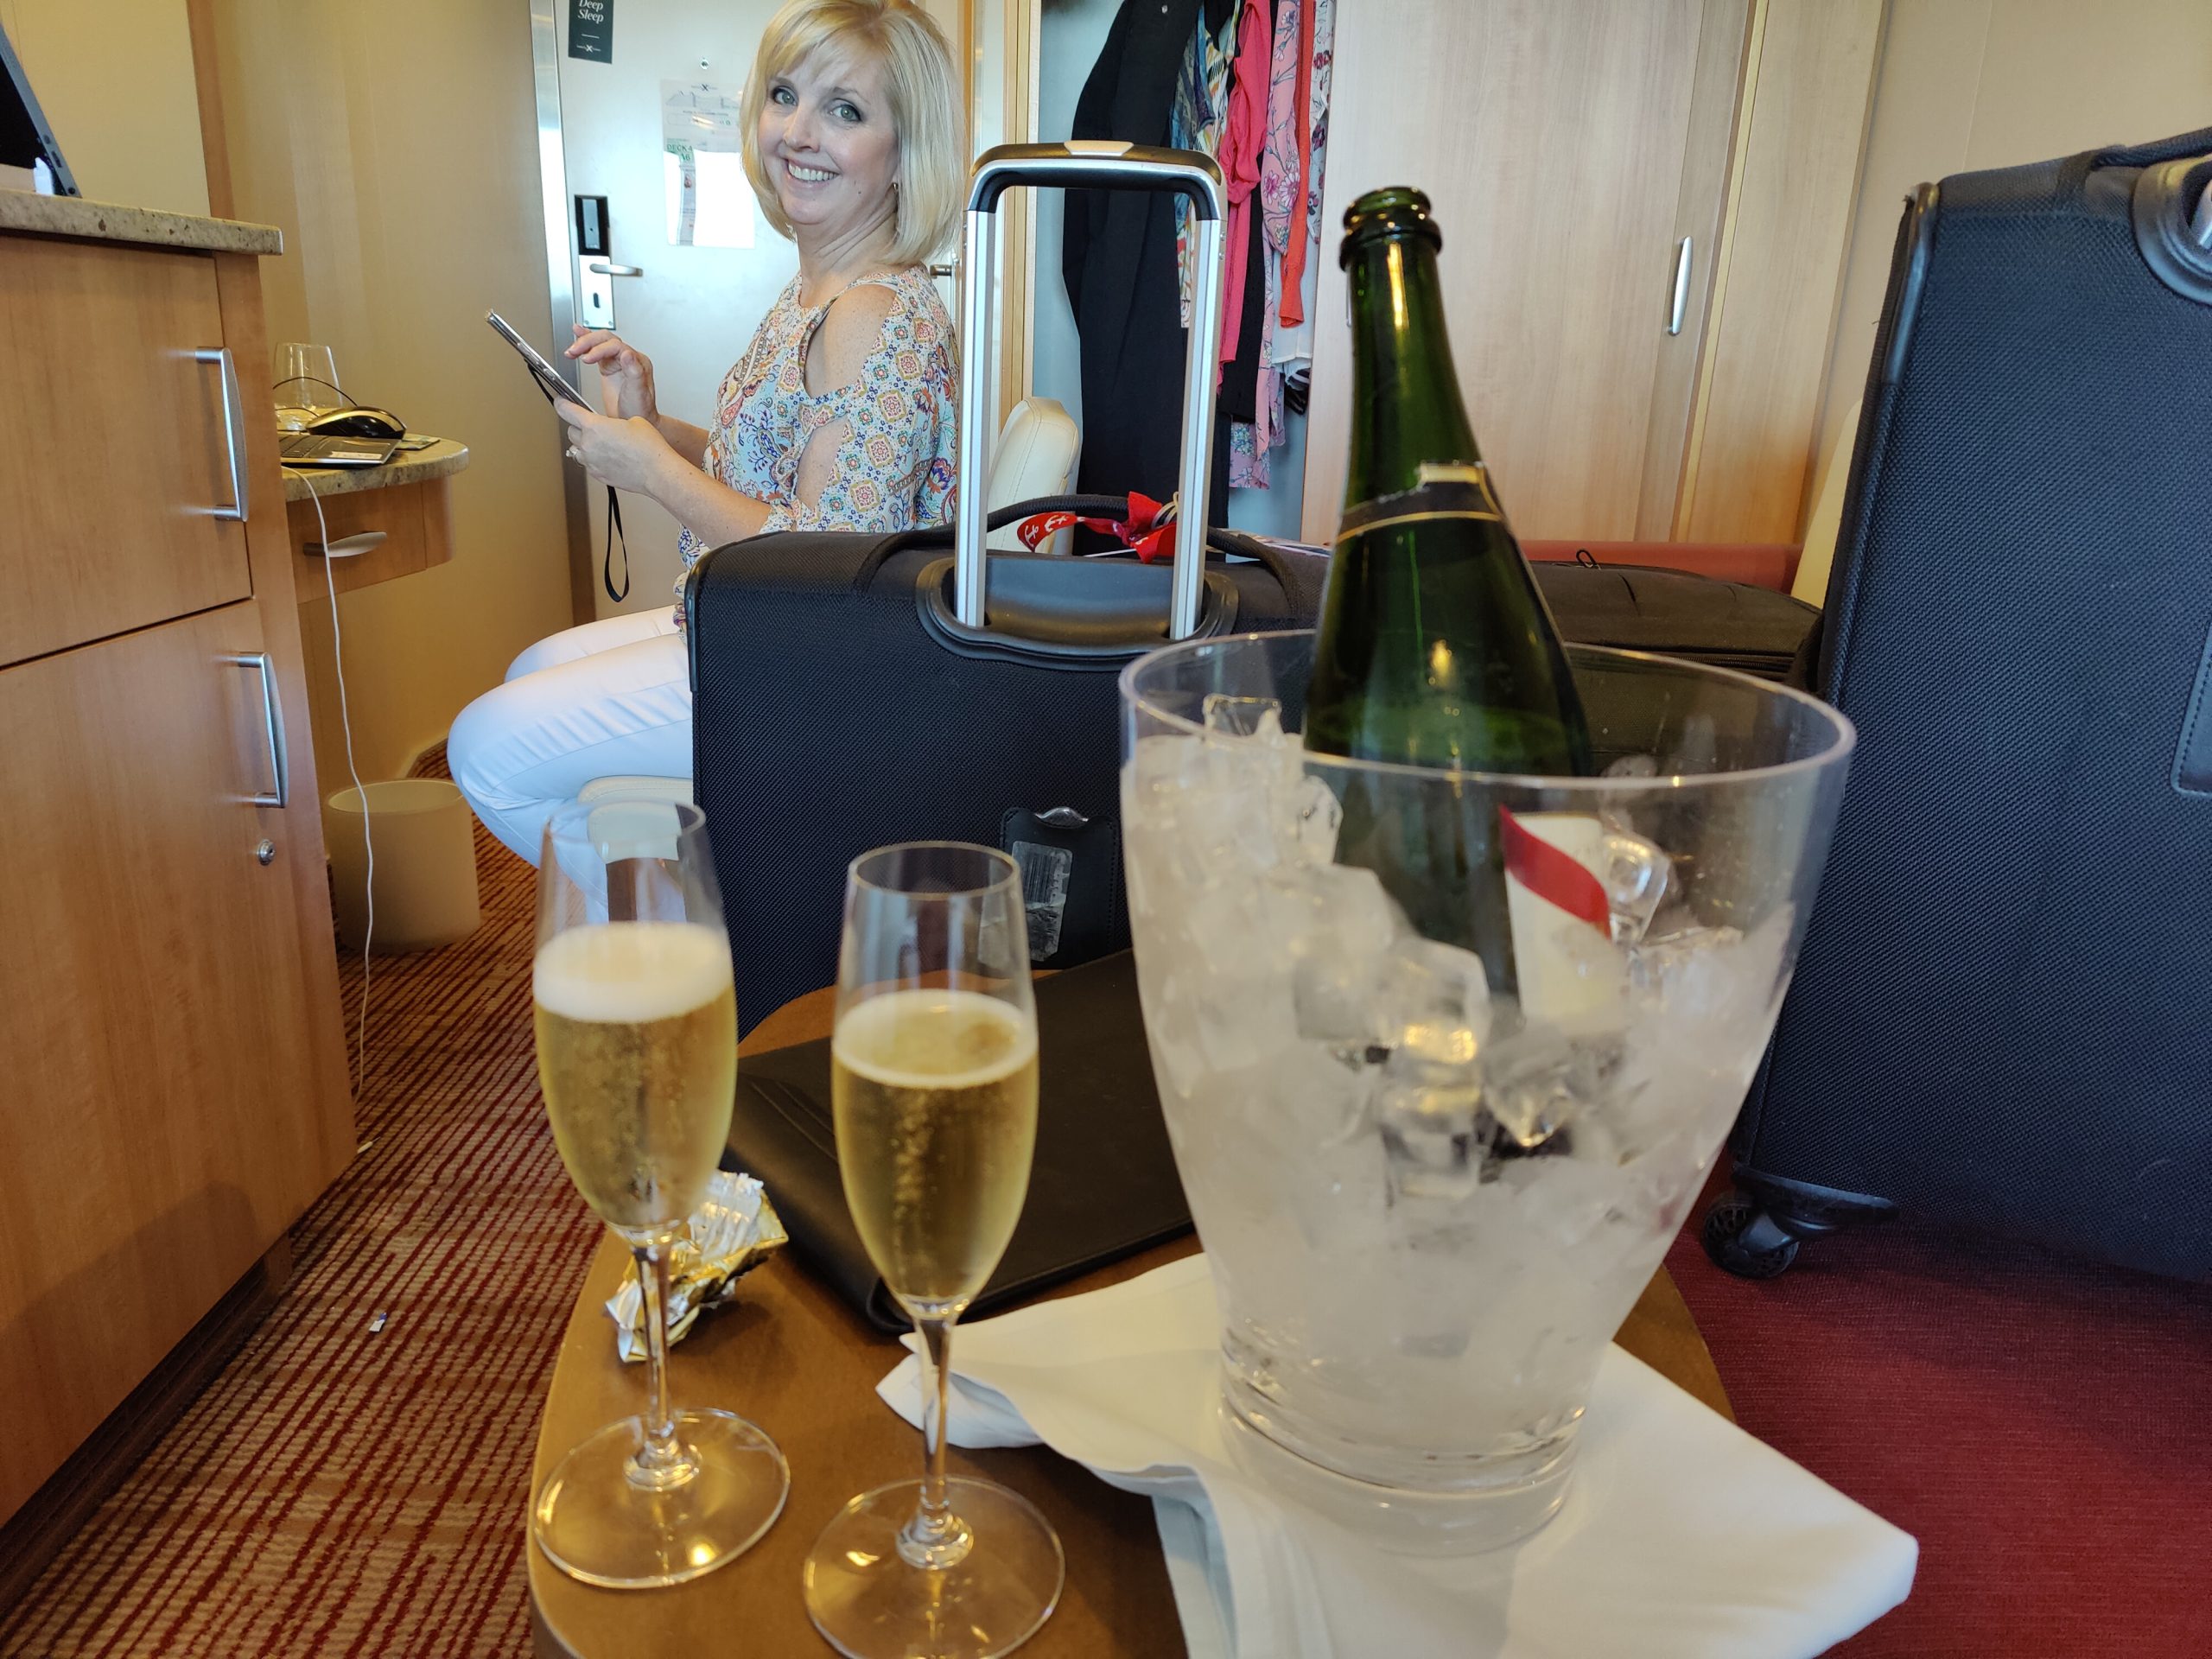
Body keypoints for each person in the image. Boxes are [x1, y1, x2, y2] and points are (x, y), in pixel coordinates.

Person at [450, 0, 963, 865]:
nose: (798, 133)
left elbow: (835, 566)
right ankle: (684, 899)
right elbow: (780, 476)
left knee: (480, 748)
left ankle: (680, 932)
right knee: (532, 671)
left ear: (905, 153)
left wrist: (653, 470)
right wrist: (654, 423)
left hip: (816, 671)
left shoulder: (870, 316)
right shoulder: (822, 290)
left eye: (844, 110)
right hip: (759, 626)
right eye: (784, 95)